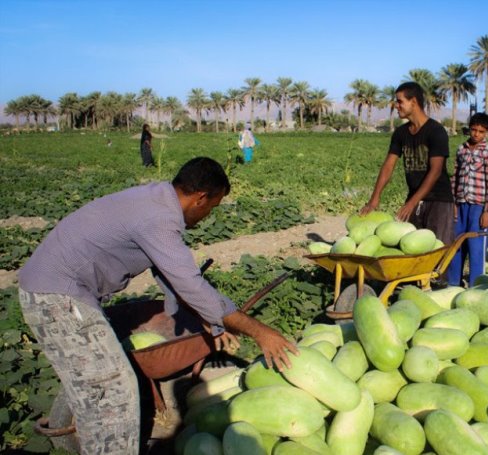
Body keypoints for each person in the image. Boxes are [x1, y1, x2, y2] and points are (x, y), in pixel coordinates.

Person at [17, 157, 297, 454]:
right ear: (201, 198)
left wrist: (212, 322)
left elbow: (170, 275)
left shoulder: (154, 199)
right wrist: (261, 332)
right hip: (59, 296)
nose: (207, 216)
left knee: (97, 390)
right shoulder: (159, 219)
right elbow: (189, 283)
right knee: (113, 389)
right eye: (212, 207)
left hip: (55, 288)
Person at [361, 82, 455, 246]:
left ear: (414, 101)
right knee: (412, 251)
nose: (396, 106)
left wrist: (411, 203)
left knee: (437, 253)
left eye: (399, 101)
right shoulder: (401, 133)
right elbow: (388, 166)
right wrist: (374, 199)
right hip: (414, 199)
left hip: (438, 201)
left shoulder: (435, 131)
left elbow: (436, 171)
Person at [447, 113, 488, 287]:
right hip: (461, 204)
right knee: (457, 244)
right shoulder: (461, 149)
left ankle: (477, 286)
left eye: (481, 131)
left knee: (476, 247)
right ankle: (453, 283)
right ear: (469, 129)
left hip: (478, 206)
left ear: (487, 132)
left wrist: (487, 210)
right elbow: (455, 177)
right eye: (474, 130)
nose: (476, 134)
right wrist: (453, 202)